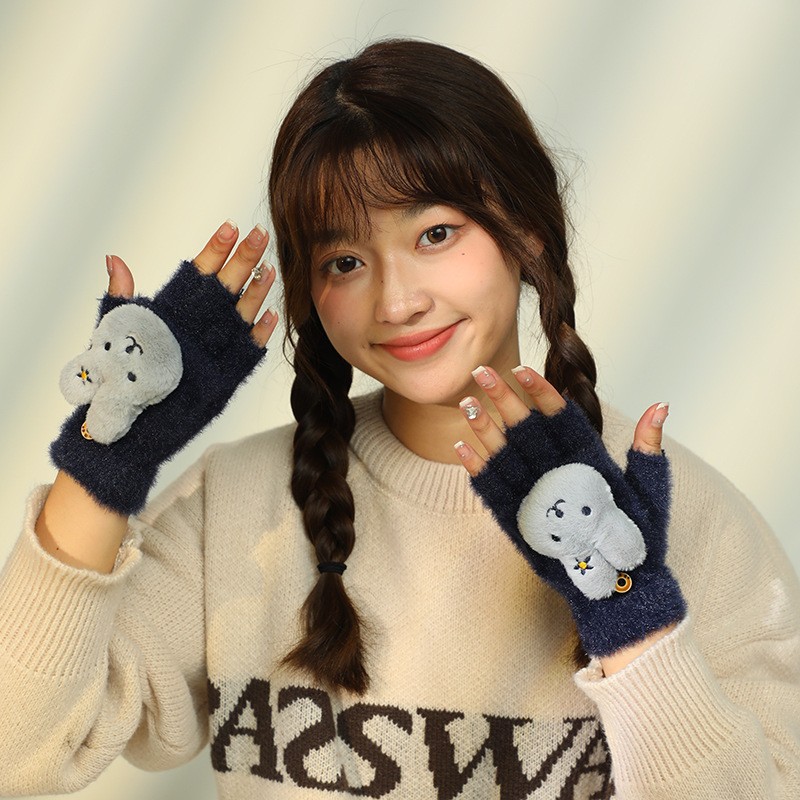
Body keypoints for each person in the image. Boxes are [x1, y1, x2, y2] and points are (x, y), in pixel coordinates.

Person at [0, 38, 797, 800]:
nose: (396, 300)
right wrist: (110, 455)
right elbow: (18, 748)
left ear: (526, 229)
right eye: (345, 261)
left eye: (435, 233)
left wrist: (632, 618)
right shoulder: (236, 507)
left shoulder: (677, 515)